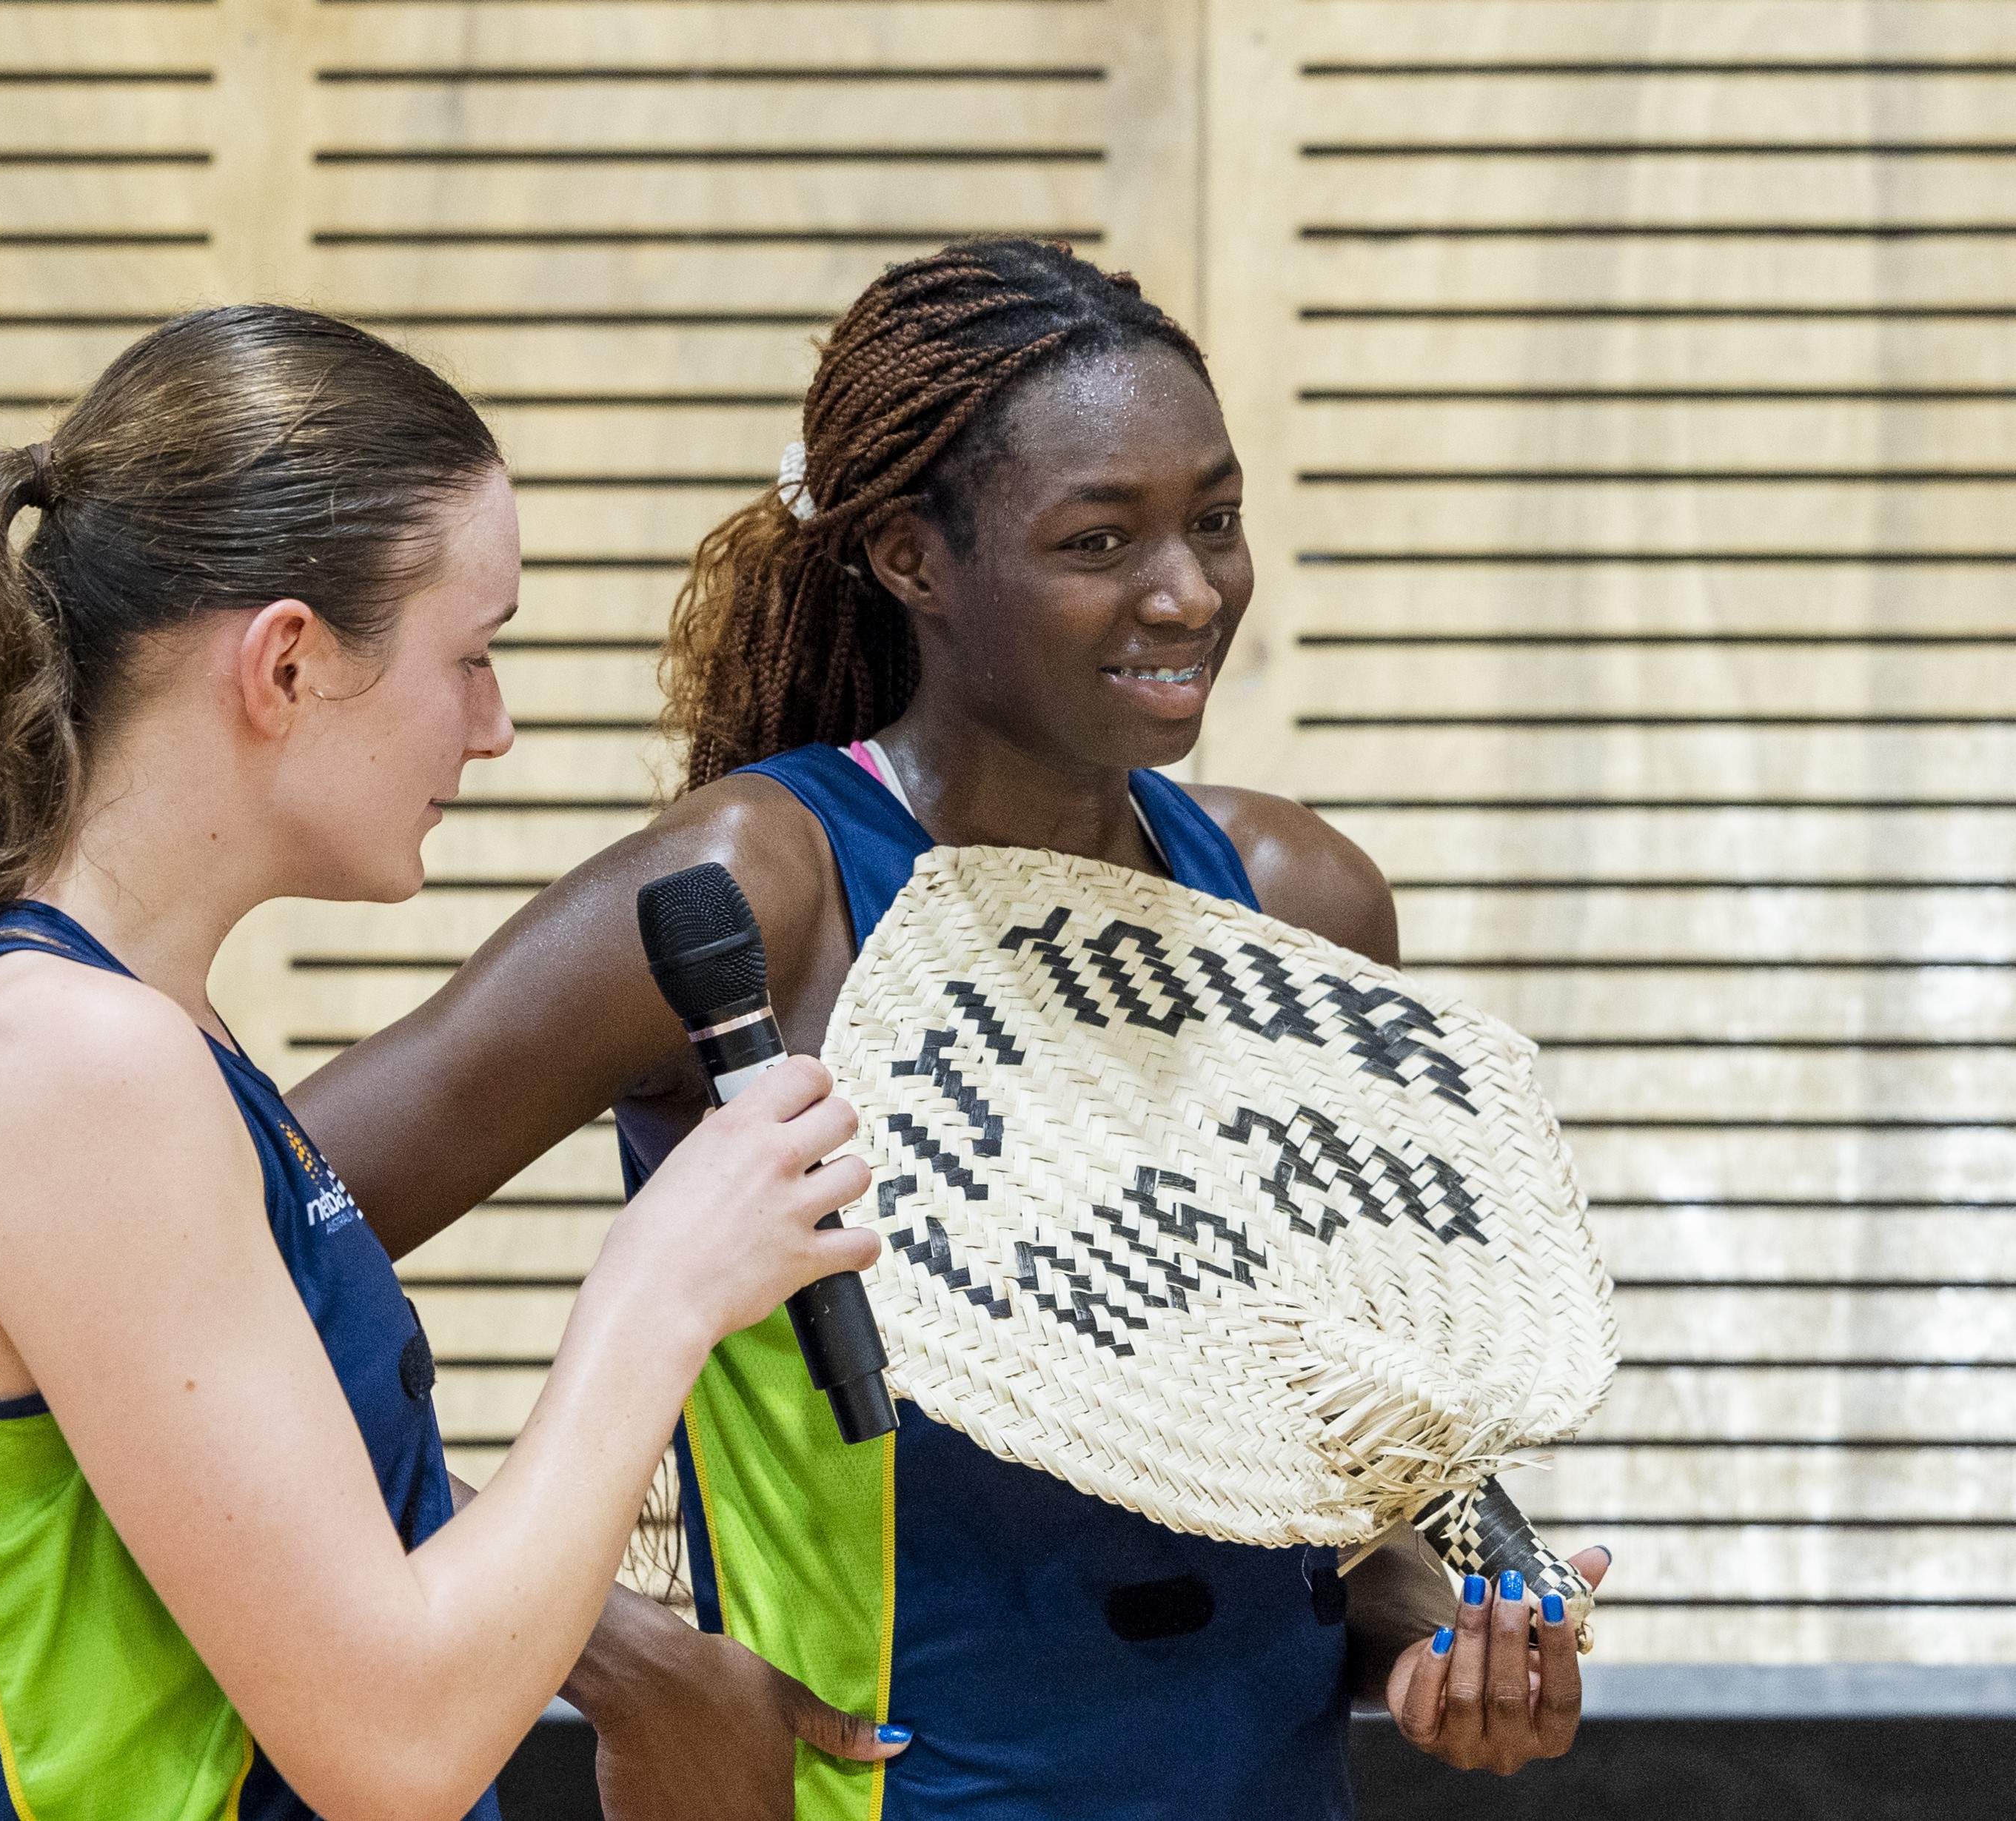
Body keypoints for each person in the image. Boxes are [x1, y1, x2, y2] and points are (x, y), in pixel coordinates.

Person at [293, 241, 1611, 1818]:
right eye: (1098, 538)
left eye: (1214, 520)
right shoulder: (757, 893)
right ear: (914, 557)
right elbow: (214, 1270)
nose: (1186, 589)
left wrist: (1435, 1624)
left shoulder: (1297, 904)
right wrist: (601, 1645)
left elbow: (1319, 1493)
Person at [0, 305, 881, 1821]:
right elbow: (394, 1749)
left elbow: (257, 1566)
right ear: (290, 664)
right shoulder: (65, 1064)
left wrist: (619, 1650)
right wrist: (662, 1286)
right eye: (473, 655)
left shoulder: (123, 1032)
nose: (495, 727)